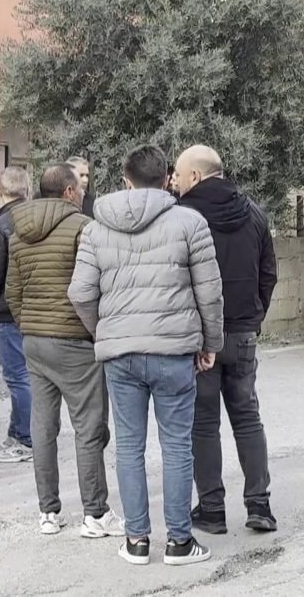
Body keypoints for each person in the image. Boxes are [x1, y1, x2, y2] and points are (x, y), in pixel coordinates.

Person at [68, 146, 224, 567]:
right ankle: (178, 542)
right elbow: (209, 292)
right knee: (176, 447)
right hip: (174, 352)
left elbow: (80, 292)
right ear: (168, 180)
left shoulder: (96, 230)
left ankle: (137, 540)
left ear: (126, 180)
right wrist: (211, 343)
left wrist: (103, 330)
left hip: (121, 354)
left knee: (129, 447)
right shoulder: (191, 223)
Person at [6, 163, 123, 538]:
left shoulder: (18, 231)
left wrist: (30, 325)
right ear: (70, 193)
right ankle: (95, 512)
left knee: (43, 426)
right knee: (88, 427)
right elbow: (95, 286)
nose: (85, 193)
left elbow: (14, 293)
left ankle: (48, 512)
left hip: (35, 341)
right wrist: (94, 332)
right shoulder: (83, 228)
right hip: (75, 342)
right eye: (81, 188)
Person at [173, 144, 278, 534]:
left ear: (196, 177)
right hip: (244, 334)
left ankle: (212, 510)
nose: (175, 182)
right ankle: (260, 505)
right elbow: (269, 273)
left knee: (204, 424)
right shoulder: (254, 213)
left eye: (180, 176)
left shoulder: (184, 217)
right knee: (248, 418)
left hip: (202, 341)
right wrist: (254, 316)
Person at [0, 166, 33, 463]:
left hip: (9, 310)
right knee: (26, 376)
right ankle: (16, 432)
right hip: (35, 307)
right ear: (26, 190)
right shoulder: (35, 218)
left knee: (17, 377)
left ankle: (24, 440)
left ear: (1, 191)